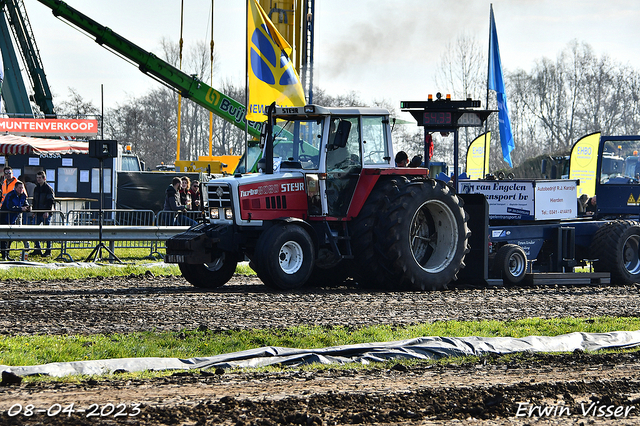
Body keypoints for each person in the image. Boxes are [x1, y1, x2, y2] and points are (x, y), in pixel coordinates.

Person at [0, 181, 30, 260]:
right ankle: (4, 255)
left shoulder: (23, 195)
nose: (21, 189)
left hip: (13, 219)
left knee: (10, 238)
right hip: (4, 218)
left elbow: (25, 204)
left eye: (22, 188)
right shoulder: (11, 195)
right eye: (19, 188)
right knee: (4, 238)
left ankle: (7, 254)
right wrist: (20, 209)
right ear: (15, 188)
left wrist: (28, 208)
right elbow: (9, 207)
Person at [31, 171, 55, 256]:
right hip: (37, 213)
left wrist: (47, 211)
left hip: (45, 213)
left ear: (44, 178)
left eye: (40, 178)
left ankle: (48, 250)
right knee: (34, 231)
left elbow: (50, 201)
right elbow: (34, 200)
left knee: (47, 232)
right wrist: (34, 211)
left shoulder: (48, 188)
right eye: (37, 178)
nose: (38, 179)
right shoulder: (36, 188)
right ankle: (37, 248)